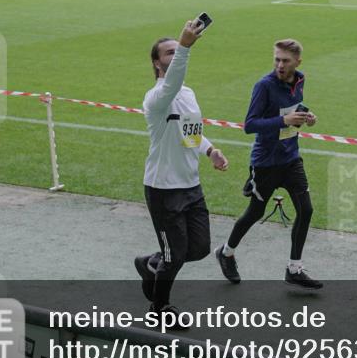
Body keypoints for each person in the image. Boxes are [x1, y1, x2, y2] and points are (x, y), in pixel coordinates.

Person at [134, 18, 229, 324]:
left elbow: (191, 132)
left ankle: (150, 263)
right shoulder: (156, 99)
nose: (174, 56)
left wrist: (211, 150)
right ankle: (159, 309)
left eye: (177, 51)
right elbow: (173, 80)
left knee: (198, 248)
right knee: (175, 255)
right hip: (163, 189)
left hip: (191, 186)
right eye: (169, 53)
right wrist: (186, 46)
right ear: (156, 63)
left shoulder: (187, 94)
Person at [214, 39, 322, 289]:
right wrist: (284, 121)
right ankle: (226, 252)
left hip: (291, 158)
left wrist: (306, 117)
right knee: (255, 212)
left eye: (285, 60)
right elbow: (250, 125)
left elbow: (292, 110)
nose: (280, 65)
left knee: (306, 210)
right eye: (277, 59)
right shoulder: (264, 86)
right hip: (266, 162)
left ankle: (294, 269)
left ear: (298, 62)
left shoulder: (300, 80)